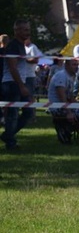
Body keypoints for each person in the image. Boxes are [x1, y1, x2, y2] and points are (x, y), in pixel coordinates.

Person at [1, 19, 34, 150]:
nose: (28, 32)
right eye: (25, 29)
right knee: (13, 114)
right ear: (17, 31)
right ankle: (10, 142)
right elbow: (12, 67)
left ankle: (8, 135)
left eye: (28, 29)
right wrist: (21, 86)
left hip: (18, 82)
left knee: (28, 113)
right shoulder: (13, 46)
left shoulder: (21, 45)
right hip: (12, 83)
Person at [47, 58, 79, 144]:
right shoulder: (61, 76)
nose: (76, 67)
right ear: (66, 66)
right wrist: (69, 112)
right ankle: (64, 129)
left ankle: (66, 130)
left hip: (66, 105)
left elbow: (70, 96)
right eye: (73, 65)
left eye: (77, 65)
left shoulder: (72, 77)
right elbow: (62, 96)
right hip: (58, 107)